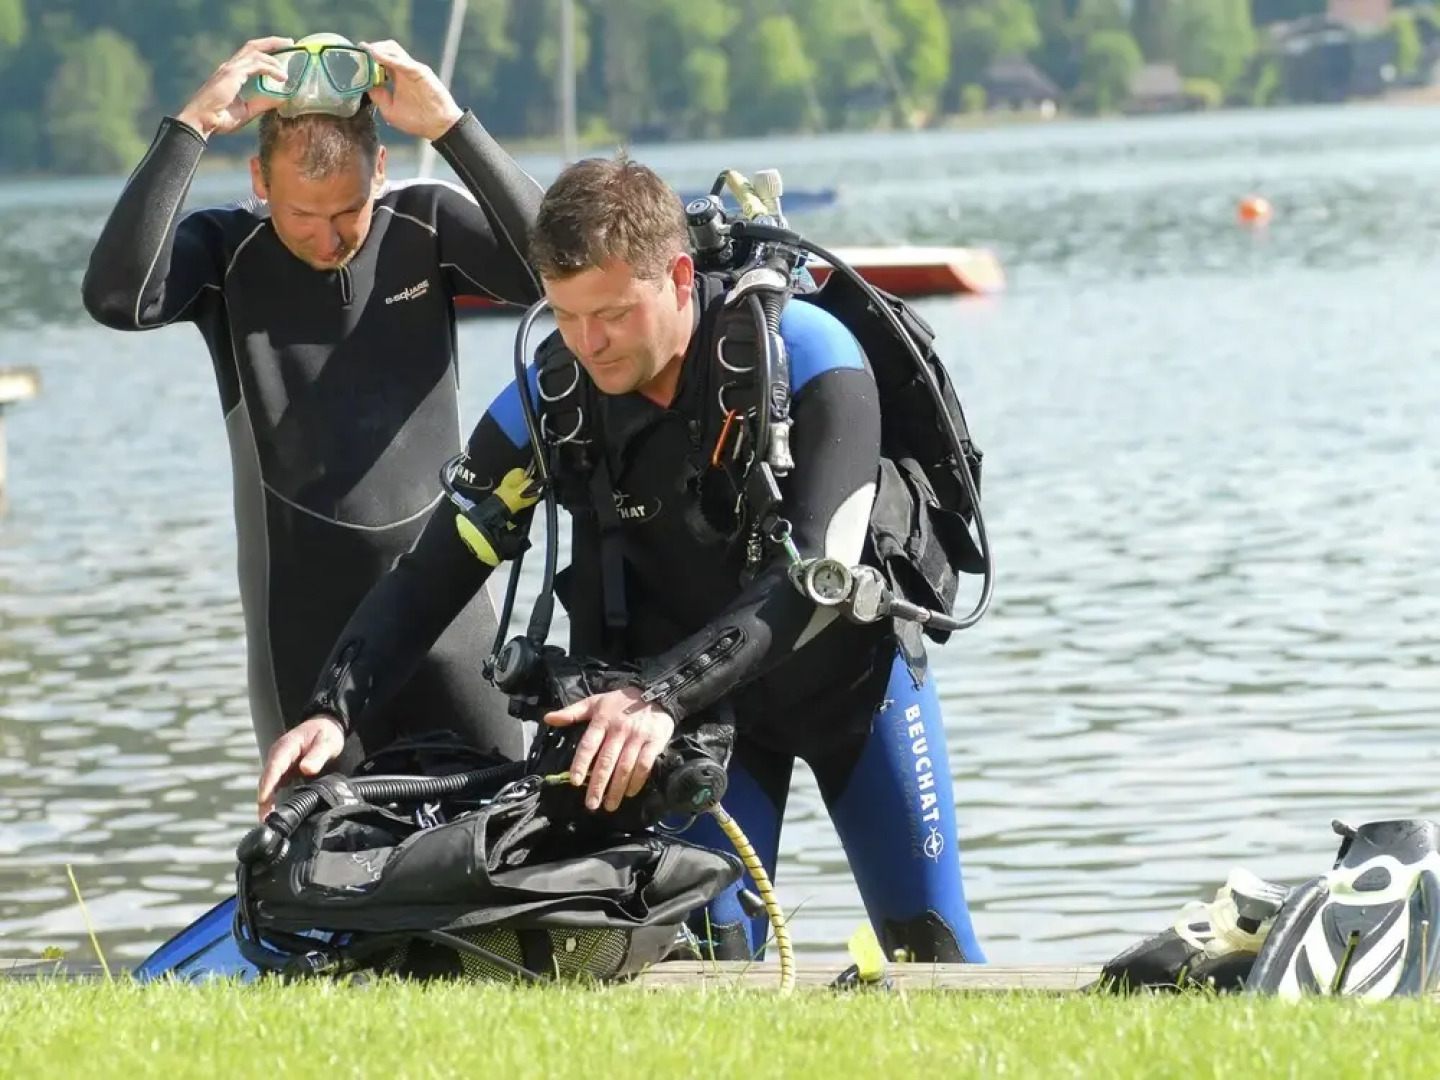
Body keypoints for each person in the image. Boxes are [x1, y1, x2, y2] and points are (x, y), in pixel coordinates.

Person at [256, 153, 987, 964]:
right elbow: (434, 574)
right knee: (710, 968)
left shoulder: (808, 354)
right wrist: (334, 707)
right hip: (691, 728)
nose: (588, 343)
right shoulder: (550, 397)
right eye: (565, 316)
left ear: (677, 277)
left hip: (849, 692)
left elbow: (814, 580)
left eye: (610, 313)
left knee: (935, 953)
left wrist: (657, 696)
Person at [81, 35, 543, 769]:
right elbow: (115, 296)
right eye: (303, 215)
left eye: (349, 211)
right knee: (315, 869)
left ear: (381, 169)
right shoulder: (224, 253)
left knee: (507, 844)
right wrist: (192, 125)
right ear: (260, 180)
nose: (329, 237)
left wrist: (452, 126)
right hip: (303, 640)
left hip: (448, 626)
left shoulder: (424, 223)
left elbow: (559, 271)